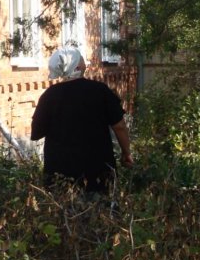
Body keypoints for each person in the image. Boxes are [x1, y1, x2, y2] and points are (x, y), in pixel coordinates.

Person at [31, 47, 133, 193]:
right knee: (101, 211)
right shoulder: (100, 91)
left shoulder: (49, 96)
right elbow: (120, 126)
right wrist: (126, 153)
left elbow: (36, 133)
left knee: (63, 213)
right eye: (81, 58)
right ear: (77, 66)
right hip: (97, 169)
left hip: (59, 174)